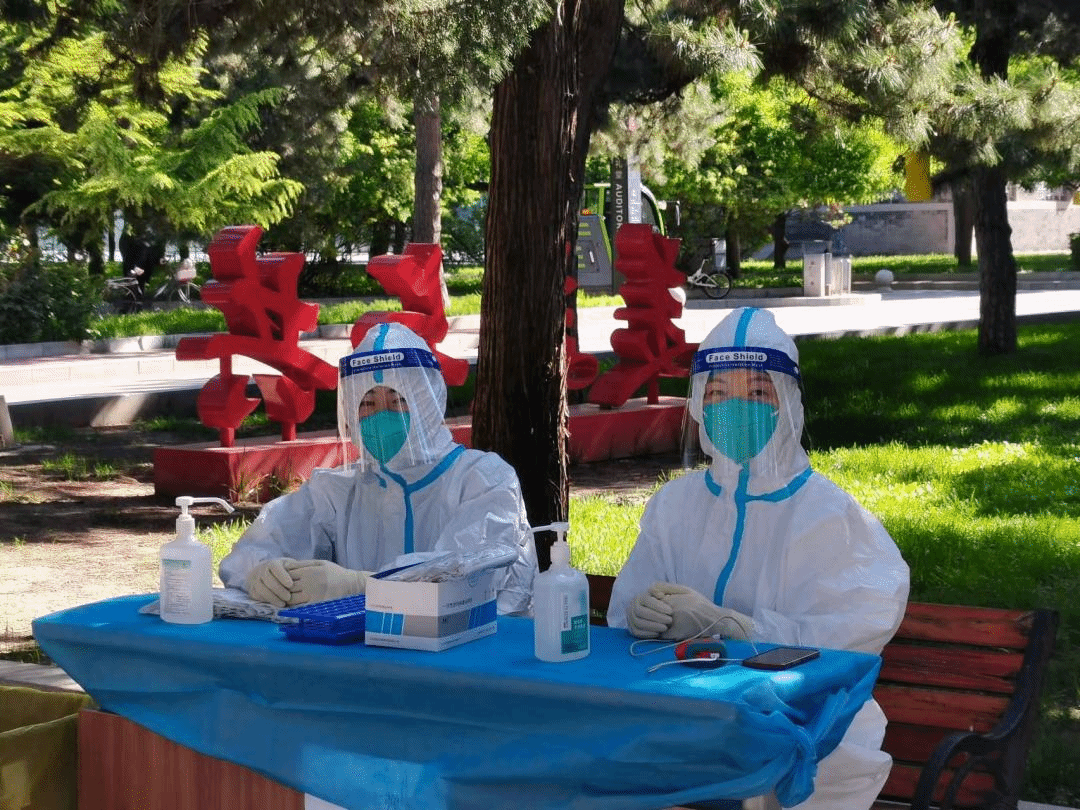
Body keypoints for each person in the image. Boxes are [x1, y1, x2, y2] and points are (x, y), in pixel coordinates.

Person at [607, 306, 909, 810]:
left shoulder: (831, 516)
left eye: (757, 393)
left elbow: (854, 634)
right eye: (717, 394)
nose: (734, 408)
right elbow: (629, 608)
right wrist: (641, 612)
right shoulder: (674, 505)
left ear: (788, 403)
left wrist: (739, 628)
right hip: (680, 713)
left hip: (802, 725)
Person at [219, 322, 538, 615]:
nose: (381, 416)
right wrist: (259, 572)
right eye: (367, 403)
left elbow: (468, 579)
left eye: (397, 401)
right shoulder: (337, 491)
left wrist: (360, 586)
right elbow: (259, 546)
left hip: (470, 651)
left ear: (427, 403)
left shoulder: (483, 479)